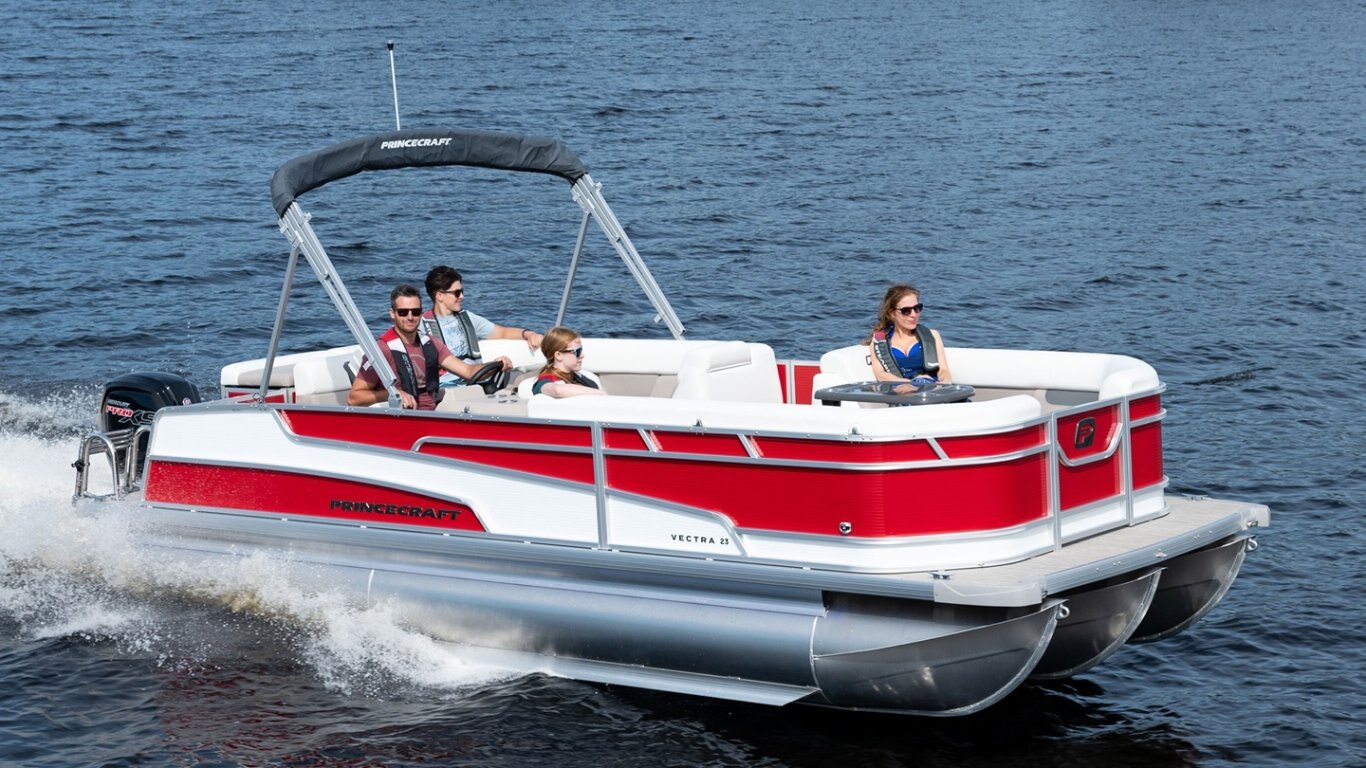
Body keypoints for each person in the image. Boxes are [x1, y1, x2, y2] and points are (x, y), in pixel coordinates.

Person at [348, 284, 510, 410]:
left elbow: (467, 371)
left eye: (415, 312)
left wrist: (495, 365)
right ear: (393, 313)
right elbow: (354, 398)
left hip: (434, 413)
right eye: (403, 312)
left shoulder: (430, 343)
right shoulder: (382, 350)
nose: (410, 317)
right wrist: (393, 394)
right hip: (405, 417)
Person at [422, 265, 539, 389]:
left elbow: (502, 332)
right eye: (457, 293)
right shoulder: (422, 326)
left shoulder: (468, 318)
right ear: (439, 296)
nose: (462, 297)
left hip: (477, 381)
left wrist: (528, 334)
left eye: (462, 291)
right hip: (447, 389)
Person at [867, 283, 953, 386]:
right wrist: (914, 383)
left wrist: (944, 382)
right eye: (906, 311)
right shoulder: (878, 342)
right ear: (892, 313)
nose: (914, 315)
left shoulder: (933, 336)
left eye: (917, 308)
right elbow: (881, 375)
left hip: (932, 390)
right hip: (899, 392)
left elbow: (943, 370)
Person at [530, 327, 605, 398]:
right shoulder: (544, 381)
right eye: (578, 351)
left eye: (581, 349)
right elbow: (557, 390)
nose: (582, 355)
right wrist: (600, 393)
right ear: (558, 355)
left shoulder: (575, 376)